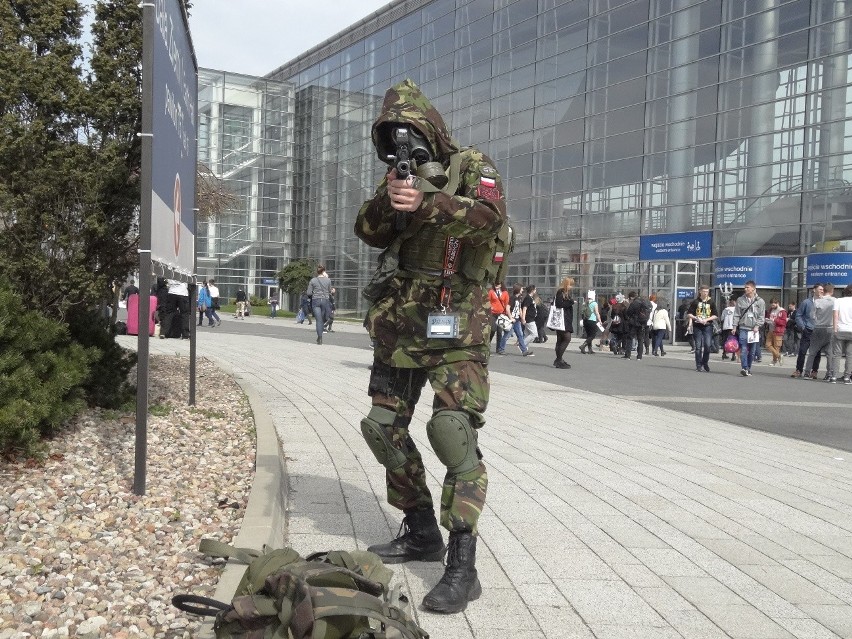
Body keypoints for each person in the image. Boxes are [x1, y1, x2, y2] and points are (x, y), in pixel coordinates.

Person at [354, 79, 507, 613]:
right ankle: (420, 529)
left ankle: (462, 564)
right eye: (393, 137)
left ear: (432, 131)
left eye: (411, 134)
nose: (403, 144)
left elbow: (490, 220)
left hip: (456, 326)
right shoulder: (396, 179)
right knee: (381, 427)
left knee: (451, 430)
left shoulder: (473, 166)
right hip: (399, 326)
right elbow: (368, 231)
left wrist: (428, 203)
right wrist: (393, 201)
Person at [804, 282, 835, 381]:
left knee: (812, 352)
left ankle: (807, 372)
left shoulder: (817, 302)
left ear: (824, 291)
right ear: (832, 291)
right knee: (829, 353)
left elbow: (812, 316)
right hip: (830, 328)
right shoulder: (835, 301)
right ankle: (829, 374)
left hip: (818, 327)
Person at [734, 280, 765, 376]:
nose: (745, 289)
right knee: (743, 349)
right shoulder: (740, 300)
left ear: (753, 289)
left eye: (747, 287)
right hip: (743, 327)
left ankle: (748, 368)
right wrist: (734, 326)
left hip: (754, 330)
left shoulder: (760, 301)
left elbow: (761, 316)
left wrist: (757, 326)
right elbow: (736, 314)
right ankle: (744, 368)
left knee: (752, 352)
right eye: (745, 287)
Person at [791, 284, 820, 378]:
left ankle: (814, 371)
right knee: (802, 351)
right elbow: (798, 315)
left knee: (817, 352)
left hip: (819, 331)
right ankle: (799, 370)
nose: (822, 291)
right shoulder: (806, 302)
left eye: (823, 289)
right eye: (820, 289)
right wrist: (803, 327)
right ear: (814, 290)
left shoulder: (824, 302)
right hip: (808, 329)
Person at [687, 285, 718, 372]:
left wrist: (706, 320)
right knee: (698, 346)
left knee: (708, 345)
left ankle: (705, 362)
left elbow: (715, 315)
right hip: (697, 326)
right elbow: (689, 313)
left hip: (707, 325)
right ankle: (698, 365)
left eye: (707, 291)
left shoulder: (711, 302)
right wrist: (696, 318)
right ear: (700, 291)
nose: (705, 293)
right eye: (704, 291)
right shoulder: (695, 302)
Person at [831, 284, 852, 385]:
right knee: (850, 355)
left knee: (837, 354)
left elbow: (835, 315)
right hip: (851, 330)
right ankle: (847, 377)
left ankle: (834, 376)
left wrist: (835, 329)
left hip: (840, 329)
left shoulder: (838, 301)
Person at [307, 265, 333, 344]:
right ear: (324, 271)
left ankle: (320, 338)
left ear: (317, 272)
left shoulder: (313, 280)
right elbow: (330, 291)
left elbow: (308, 293)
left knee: (318, 320)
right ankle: (321, 334)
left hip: (316, 300)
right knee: (322, 319)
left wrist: (314, 293)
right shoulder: (328, 280)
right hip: (325, 300)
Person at [553, 277, 575, 368]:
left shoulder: (564, 292)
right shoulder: (561, 292)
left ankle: (559, 359)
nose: (572, 287)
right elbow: (559, 304)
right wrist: (571, 302)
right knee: (566, 338)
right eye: (571, 285)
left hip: (563, 319)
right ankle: (558, 360)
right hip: (562, 319)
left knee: (560, 339)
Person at [623, 291, 652, 360]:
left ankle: (628, 355)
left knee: (630, 338)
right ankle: (639, 356)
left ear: (631, 297)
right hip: (643, 323)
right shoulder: (645, 302)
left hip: (634, 323)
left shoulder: (634, 303)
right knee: (640, 339)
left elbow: (628, 313)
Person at [764, 298, 787, 366]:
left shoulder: (782, 311)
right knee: (768, 345)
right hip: (771, 329)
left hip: (778, 331)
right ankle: (779, 356)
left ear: (777, 303)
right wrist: (767, 320)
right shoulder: (771, 310)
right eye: (771, 305)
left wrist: (775, 320)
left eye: (773, 305)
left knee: (776, 346)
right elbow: (769, 317)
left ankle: (774, 360)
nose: (772, 306)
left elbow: (783, 322)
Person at [488, 282, 510, 352]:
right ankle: (488, 346)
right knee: (492, 330)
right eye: (495, 284)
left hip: (501, 314)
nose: (496, 286)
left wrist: (507, 313)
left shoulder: (505, 293)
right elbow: (488, 300)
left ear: (501, 285)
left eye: (498, 284)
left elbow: (507, 303)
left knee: (499, 332)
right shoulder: (491, 292)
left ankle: (498, 348)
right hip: (493, 313)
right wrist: (490, 307)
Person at [579, 290, 600, 354]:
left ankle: (589, 349)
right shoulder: (594, 303)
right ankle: (583, 345)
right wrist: (599, 320)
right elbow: (596, 313)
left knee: (588, 335)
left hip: (585, 321)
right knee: (593, 335)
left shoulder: (584, 303)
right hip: (592, 320)